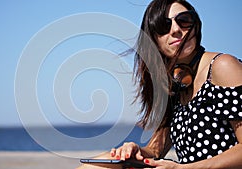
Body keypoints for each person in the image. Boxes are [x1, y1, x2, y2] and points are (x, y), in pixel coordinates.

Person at [77, 0, 242, 168]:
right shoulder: (176, 83)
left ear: (196, 26)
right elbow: (156, 150)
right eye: (164, 26)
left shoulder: (223, 66)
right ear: (153, 40)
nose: (176, 30)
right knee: (102, 162)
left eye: (184, 20)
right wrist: (136, 151)